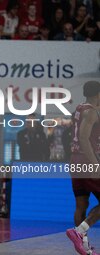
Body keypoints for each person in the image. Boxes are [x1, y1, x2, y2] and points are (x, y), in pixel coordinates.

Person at [66, 81, 100, 255]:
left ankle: (84, 247)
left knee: (81, 204)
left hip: (75, 160)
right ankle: (78, 232)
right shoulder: (91, 112)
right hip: (86, 161)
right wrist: (95, 164)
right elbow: (84, 138)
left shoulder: (79, 108)